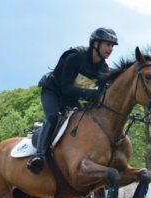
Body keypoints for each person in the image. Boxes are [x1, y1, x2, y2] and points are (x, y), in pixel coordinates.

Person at [27, 27, 118, 174]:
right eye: (108, 44)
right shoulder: (75, 56)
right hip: (53, 91)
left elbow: (100, 94)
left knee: (84, 118)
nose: (111, 49)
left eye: (112, 46)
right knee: (53, 117)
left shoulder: (103, 69)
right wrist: (90, 94)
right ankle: (38, 156)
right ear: (96, 43)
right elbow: (66, 88)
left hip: (71, 97)